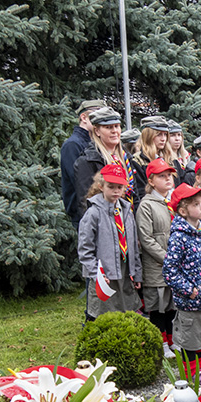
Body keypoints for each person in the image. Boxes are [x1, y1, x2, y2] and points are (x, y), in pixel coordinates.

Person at [162, 183, 201, 378]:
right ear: (183, 210)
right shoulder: (179, 236)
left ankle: (199, 368)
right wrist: (189, 289)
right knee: (190, 339)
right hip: (190, 299)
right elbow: (170, 270)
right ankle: (191, 374)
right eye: (196, 204)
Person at [77, 164, 142, 320]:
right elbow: (85, 249)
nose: (115, 191)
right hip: (104, 274)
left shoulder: (127, 211)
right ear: (101, 186)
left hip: (125, 272)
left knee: (125, 313)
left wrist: (137, 273)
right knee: (103, 315)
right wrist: (96, 273)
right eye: (110, 186)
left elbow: (133, 245)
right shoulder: (93, 213)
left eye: (119, 187)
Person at [136, 159, 177, 359]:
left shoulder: (174, 201)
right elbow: (146, 238)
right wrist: (167, 258)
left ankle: (172, 339)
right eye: (162, 176)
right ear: (151, 181)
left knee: (171, 305)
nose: (168, 178)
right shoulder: (146, 205)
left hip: (175, 264)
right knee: (158, 307)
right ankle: (160, 343)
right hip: (157, 266)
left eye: (169, 175)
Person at [73, 107, 140, 219]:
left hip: (128, 220)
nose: (114, 131)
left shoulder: (126, 158)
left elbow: (135, 195)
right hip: (104, 224)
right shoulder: (88, 161)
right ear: (97, 131)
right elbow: (85, 203)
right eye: (108, 127)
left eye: (116, 126)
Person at [61, 99, 105, 228]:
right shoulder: (73, 145)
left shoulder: (96, 144)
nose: (101, 120)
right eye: (97, 115)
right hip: (85, 215)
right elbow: (80, 185)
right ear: (84, 117)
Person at [132, 116, 172, 197]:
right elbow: (140, 193)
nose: (163, 139)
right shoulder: (138, 161)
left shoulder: (170, 159)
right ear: (148, 136)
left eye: (165, 135)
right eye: (159, 135)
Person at [167, 120, 189, 185]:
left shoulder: (186, 156)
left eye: (179, 135)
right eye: (172, 135)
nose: (177, 139)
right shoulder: (164, 157)